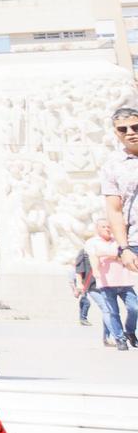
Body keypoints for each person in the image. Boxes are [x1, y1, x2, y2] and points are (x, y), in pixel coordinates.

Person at [83, 213, 137, 349]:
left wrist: (106, 254)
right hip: (106, 283)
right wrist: (114, 255)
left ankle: (130, 331)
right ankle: (120, 339)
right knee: (113, 312)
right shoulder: (92, 242)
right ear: (97, 229)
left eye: (109, 226)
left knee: (134, 308)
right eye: (104, 227)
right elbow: (93, 257)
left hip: (125, 281)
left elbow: (124, 255)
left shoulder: (120, 241)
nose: (107, 229)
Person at [101, 106, 138, 247]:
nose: (130, 133)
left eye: (136, 127)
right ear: (116, 133)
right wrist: (124, 248)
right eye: (123, 129)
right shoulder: (112, 166)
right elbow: (114, 211)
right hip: (135, 242)